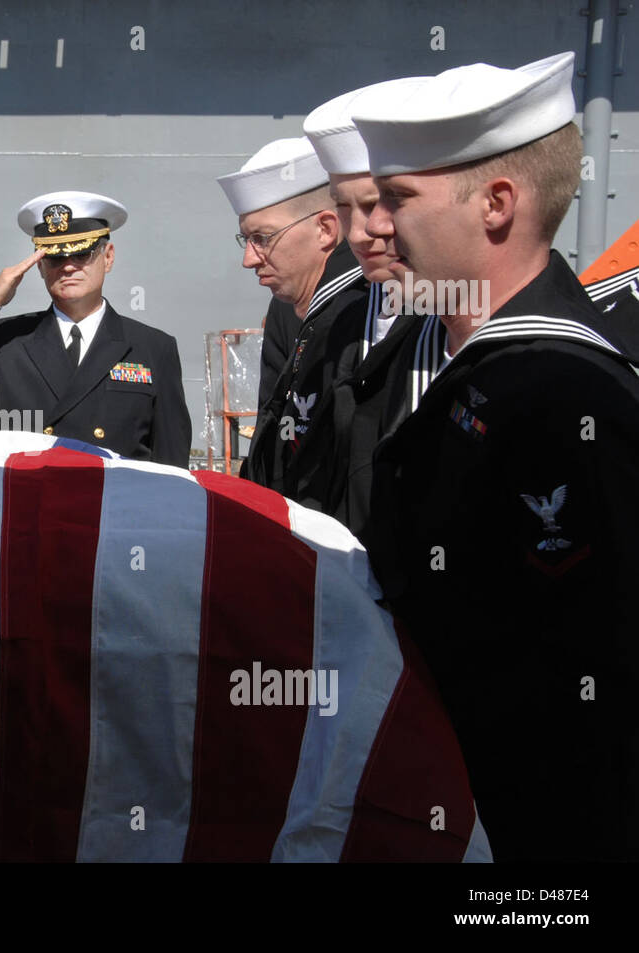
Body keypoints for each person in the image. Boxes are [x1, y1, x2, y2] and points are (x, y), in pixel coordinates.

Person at [354, 51, 639, 861]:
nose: (373, 226)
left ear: (497, 203)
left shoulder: (565, 395)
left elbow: (601, 697)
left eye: (397, 199)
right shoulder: (457, 361)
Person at [0, 191, 191, 466]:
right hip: (29, 506)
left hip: (114, 508)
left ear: (108, 257)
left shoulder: (152, 347)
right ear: (40, 266)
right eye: (54, 257)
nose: (67, 267)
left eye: (82, 254)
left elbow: (171, 460)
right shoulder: (8, 342)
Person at [302, 78, 448, 538]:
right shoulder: (343, 319)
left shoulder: (460, 313)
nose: (362, 231)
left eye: (381, 203)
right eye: (346, 208)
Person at [217, 138, 369, 510]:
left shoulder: (375, 308)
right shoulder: (288, 309)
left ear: (325, 229)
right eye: (246, 239)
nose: (249, 260)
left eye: (262, 238)